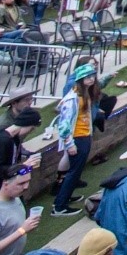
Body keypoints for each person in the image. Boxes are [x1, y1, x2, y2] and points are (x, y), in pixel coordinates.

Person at [51, 62, 99, 215]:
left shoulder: (84, 94)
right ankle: (59, 206)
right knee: (73, 172)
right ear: (80, 79)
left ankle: (65, 197)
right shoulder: (72, 99)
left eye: (92, 76)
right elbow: (64, 125)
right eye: (87, 77)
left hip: (84, 135)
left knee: (76, 172)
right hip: (77, 138)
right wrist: (69, 144)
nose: (91, 79)